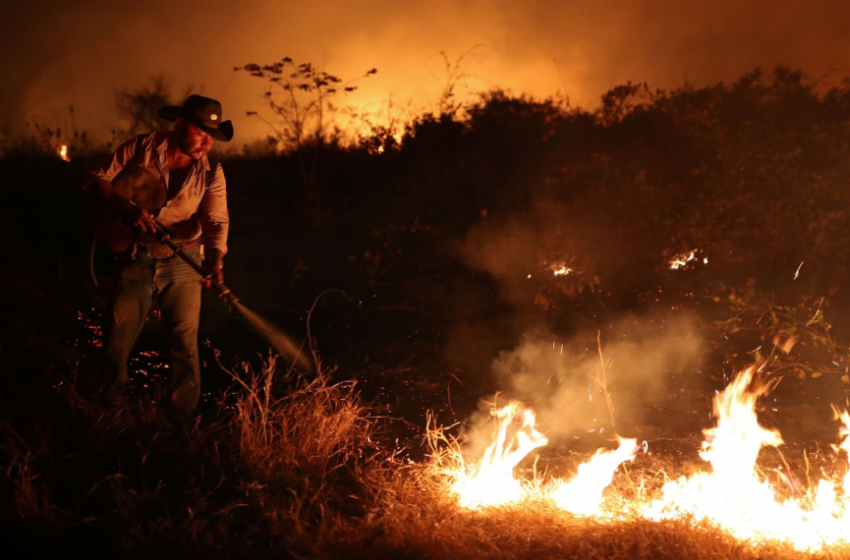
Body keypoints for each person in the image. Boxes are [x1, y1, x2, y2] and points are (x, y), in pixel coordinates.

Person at [86, 94, 233, 419]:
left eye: (212, 136)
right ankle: (104, 412)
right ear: (180, 125)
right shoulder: (141, 148)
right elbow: (99, 176)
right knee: (117, 338)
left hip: (183, 262)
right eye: (200, 132)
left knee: (184, 345)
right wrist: (124, 206)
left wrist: (215, 260)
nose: (207, 142)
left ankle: (181, 420)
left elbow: (216, 220)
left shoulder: (211, 172)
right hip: (135, 256)